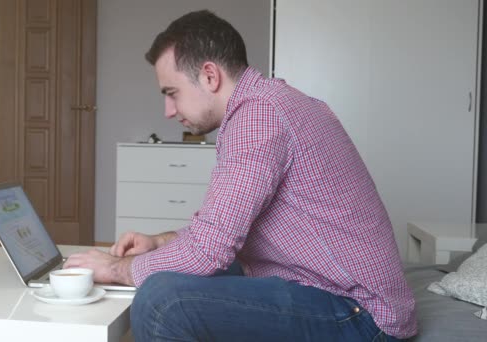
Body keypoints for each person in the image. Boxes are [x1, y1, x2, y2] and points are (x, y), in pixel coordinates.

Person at [64, 9, 417, 341]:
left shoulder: (259, 117)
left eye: (172, 93)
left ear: (209, 75)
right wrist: (158, 243)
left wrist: (116, 269)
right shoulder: (269, 103)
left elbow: (208, 250)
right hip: (324, 286)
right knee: (174, 272)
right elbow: (220, 231)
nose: (168, 111)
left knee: (162, 302)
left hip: (363, 315)